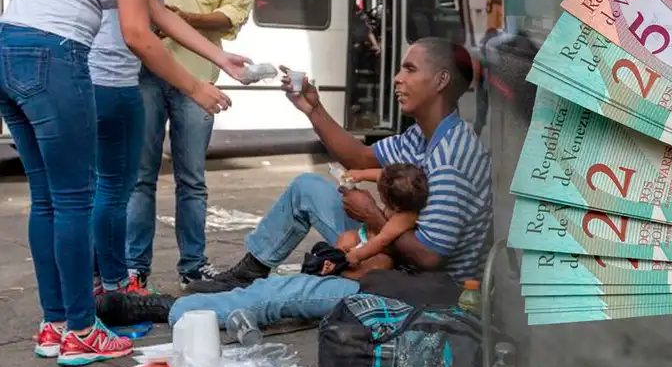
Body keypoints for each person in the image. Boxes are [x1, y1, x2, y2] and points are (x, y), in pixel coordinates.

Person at [0, 0, 235, 367]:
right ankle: (83, 329)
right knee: (78, 201)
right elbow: (137, 32)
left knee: (49, 201)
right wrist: (195, 86)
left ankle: (56, 325)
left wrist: (222, 62)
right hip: (55, 57)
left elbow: (158, 12)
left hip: (10, 51)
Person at [101, 38, 493, 329]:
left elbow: (428, 257)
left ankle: (171, 309)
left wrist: (372, 215)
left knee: (288, 294)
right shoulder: (423, 135)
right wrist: (313, 108)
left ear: (441, 80)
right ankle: (250, 269)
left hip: (421, 289)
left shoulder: (452, 156)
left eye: (409, 69)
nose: (397, 77)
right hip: (391, 252)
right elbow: (362, 159)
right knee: (309, 187)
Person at [71, 0, 252, 297]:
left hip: (190, 66)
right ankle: (127, 276)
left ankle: (184, 269)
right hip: (134, 69)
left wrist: (202, 39)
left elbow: (228, 13)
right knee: (130, 180)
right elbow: (141, 22)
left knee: (187, 179)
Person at [127, 0, 260, 290]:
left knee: (192, 179)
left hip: (198, 75)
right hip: (147, 65)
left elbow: (233, 15)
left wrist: (186, 19)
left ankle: (193, 268)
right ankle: (134, 269)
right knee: (140, 175)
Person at [339, 163, 429, 269]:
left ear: (393, 206)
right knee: (346, 238)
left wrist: (357, 255)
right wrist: (359, 174)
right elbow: (380, 175)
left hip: (378, 250)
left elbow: (381, 241)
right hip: (365, 235)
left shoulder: (403, 218)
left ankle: (345, 273)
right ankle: (332, 260)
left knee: (381, 263)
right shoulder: (401, 186)